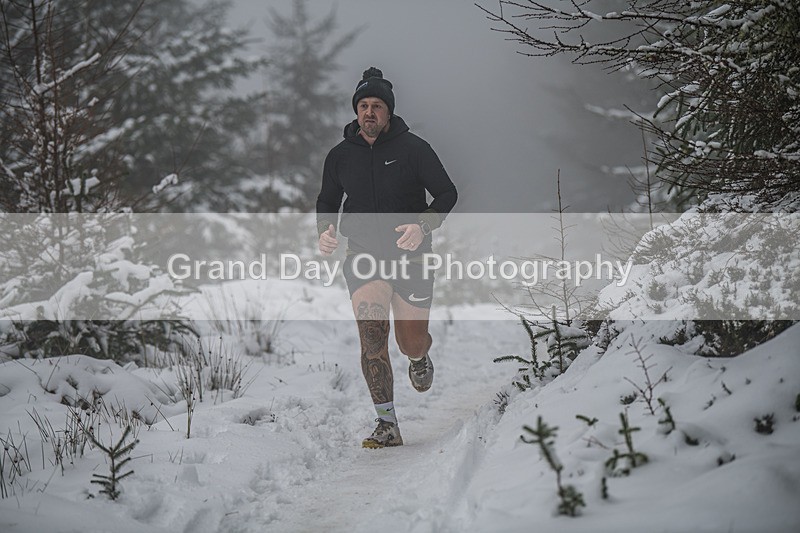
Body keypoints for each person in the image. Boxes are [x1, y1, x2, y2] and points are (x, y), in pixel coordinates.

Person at [316, 67, 457, 448]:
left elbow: (446, 194)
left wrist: (423, 227)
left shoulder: (414, 149)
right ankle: (387, 423)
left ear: (389, 112)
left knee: (409, 342)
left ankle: (419, 357)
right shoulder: (341, 156)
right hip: (363, 257)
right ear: (356, 111)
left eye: (377, 105)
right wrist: (325, 230)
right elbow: (328, 200)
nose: (369, 112)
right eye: (363, 105)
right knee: (371, 336)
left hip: (411, 256)